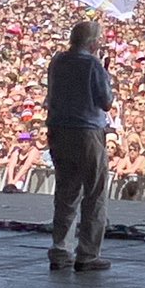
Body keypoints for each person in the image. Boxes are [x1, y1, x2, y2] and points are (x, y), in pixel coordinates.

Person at [44, 20, 113, 272]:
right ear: (93, 43)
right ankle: (88, 254)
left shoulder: (57, 61)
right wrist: (107, 75)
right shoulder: (92, 64)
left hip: (59, 130)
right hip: (86, 133)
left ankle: (60, 249)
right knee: (94, 193)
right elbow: (105, 102)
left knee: (65, 191)